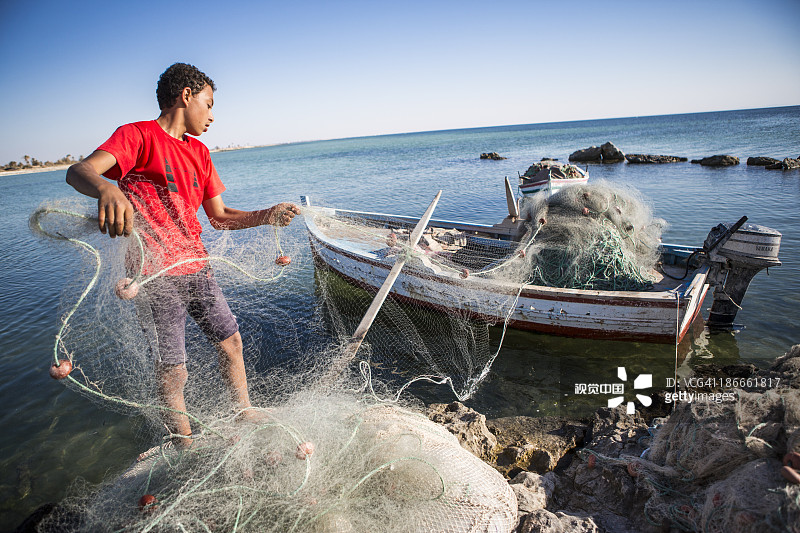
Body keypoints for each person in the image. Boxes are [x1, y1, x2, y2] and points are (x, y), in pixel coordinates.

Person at [66, 62, 300, 448]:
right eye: (208, 104)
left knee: (232, 342)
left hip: (198, 268)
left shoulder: (200, 153)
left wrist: (266, 216)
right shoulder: (137, 136)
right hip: (155, 276)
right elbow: (79, 171)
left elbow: (220, 217)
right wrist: (107, 190)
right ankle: (184, 442)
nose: (212, 115)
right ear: (186, 96)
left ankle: (243, 410)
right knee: (173, 370)